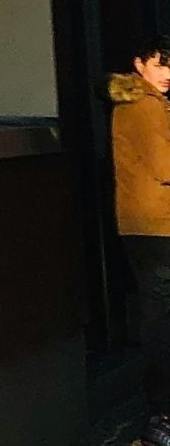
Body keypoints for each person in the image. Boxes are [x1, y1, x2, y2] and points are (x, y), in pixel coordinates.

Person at [111, 35, 170, 445]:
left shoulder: (142, 105)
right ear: (139, 65)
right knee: (159, 320)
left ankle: (159, 412)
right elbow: (165, 164)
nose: (167, 74)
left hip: (145, 224)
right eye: (159, 64)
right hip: (158, 226)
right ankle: (160, 412)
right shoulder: (146, 107)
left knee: (158, 317)